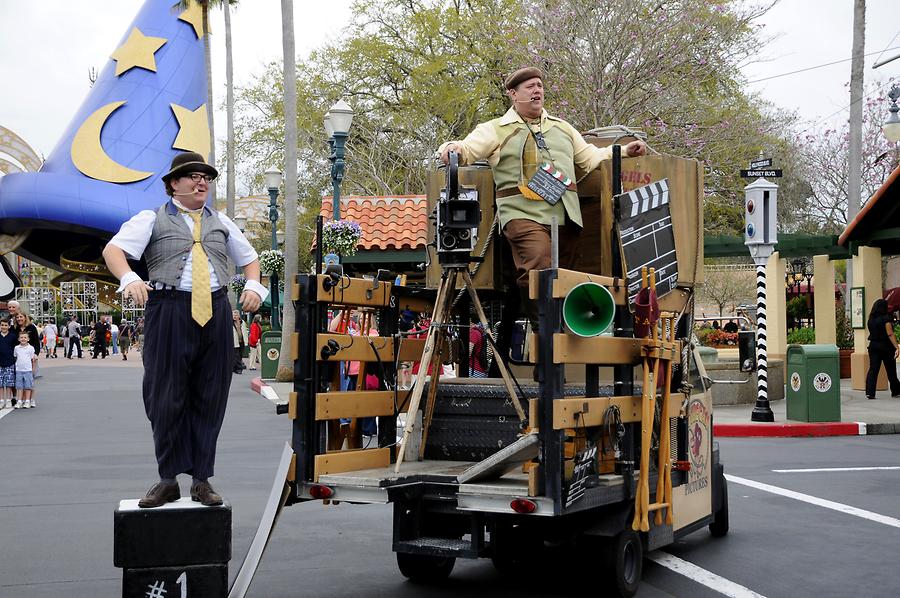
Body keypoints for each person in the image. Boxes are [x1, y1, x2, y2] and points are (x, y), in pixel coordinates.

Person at [103, 151, 267, 508]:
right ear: (173, 185)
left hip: (217, 310)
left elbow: (250, 258)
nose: (201, 182)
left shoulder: (222, 221)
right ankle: (167, 478)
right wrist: (130, 277)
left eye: (206, 177)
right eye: (193, 176)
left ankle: (202, 480)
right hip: (169, 309)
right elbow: (113, 250)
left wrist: (253, 287)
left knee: (211, 395)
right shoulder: (151, 218)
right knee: (165, 395)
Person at [438, 67, 646, 326]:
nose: (537, 90)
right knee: (540, 261)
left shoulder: (563, 128)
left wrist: (624, 150)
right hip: (522, 213)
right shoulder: (496, 129)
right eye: (530, 87)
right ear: (513, 94)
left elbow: (590, 158)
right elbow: (466, 149)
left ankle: (563, 331)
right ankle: (544, 331)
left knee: (565, 276)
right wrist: (450, 148)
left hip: (565, 215)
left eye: (540, 86)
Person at [865, 298, 900, 400]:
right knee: (891, 370)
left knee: (873, 370)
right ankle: (896, 390)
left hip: (873, 346)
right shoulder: (886, 319)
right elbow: (890, 334)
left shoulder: (870, 319)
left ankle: (870, 392)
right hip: (886, 347)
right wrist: (896, 347)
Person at [14, 330, 37, 409]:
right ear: (18, 339)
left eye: (25, 337)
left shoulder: (31, 348)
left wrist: (33, 369)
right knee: (19, 387)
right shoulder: (16, 348)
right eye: (21, 337)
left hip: (28, 370)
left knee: (28, 386)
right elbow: (16, 357)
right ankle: (19, 401)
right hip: (19, 370)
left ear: (28, 339)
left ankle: (27, 401)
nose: (23, 339)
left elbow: (32, 359)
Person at [0, 318, 16, 409]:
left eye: (6, 325)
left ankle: (9, 400)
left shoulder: (12, 337)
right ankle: (1, 400)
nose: (4, 327)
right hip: (0, 363)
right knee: (0, 384)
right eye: (2, 325)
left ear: (9, 326)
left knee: (9, 384)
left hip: (10, 362)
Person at [232, 310, 247, 374]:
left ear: (239, 316)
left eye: (236, 315)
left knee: (240, 355)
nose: (234, 316)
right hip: (235, 341)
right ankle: (239, 369)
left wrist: (246, 340)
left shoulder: (242, 322)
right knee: (236, 355)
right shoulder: (230, 322)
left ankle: (234, 368)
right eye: (233, 315)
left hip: (242, 341)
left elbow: (245, 331)